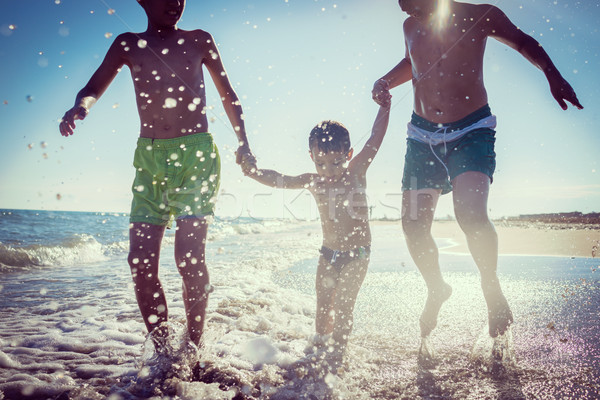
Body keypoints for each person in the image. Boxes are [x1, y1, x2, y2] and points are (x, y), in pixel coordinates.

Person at [372, 0, 583, 346]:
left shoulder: (480, 14)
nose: (405, 12)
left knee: (470, 214)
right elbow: (415, 61)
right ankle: (437, 287)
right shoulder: (410, 26)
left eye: (410, 4)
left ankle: (491, 285)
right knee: (412, 225)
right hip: (421, 135)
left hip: (471, 130)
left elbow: (523, 41)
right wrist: (385, 80)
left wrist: (552, 73)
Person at [59, 0, 255, 350]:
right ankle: (164, 351)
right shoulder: (128, 44)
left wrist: (244, 142)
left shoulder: (199, 40)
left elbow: (229, 95)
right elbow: (92, 88)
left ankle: (192, 349)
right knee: (140, 262)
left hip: (196, 156)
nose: (176, 3)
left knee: (188, 257)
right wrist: (80, 108)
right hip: (149, 159)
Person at [248, 103, 391, 373]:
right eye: (321, 163)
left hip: (357, 255)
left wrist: (385, 106)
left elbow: (375, 139)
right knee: (323, 306)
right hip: (328, 254)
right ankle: (320, 350)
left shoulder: (356, 172)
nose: (329, 169)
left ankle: (338, 356)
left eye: (336, 162)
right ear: (312, 157)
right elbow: (280, 179)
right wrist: (253, 172)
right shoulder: (313, 181)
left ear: (349, 154)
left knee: (344, 306)